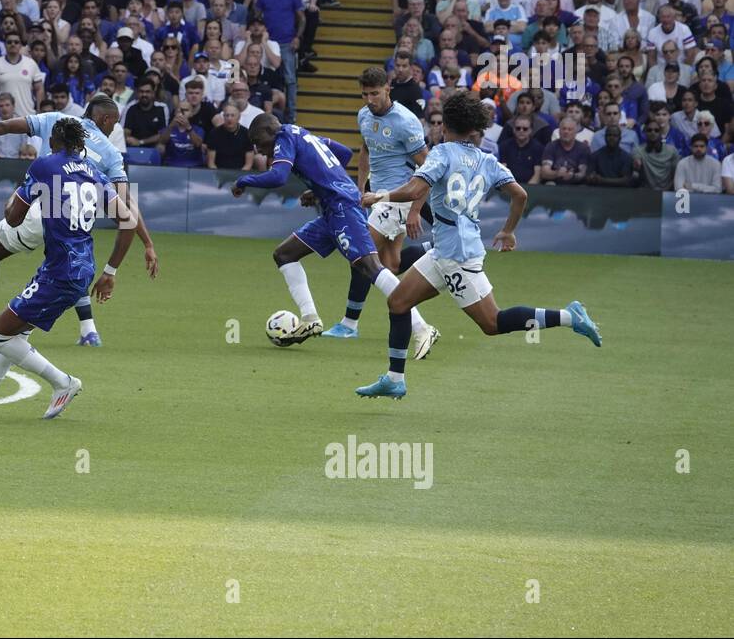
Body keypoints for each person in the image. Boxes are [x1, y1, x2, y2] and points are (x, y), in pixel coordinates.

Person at [355, 93, 602, 400]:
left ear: (445, 126)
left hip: (458, 257)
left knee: (492, 323)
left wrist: (381, 196)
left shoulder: (442, 153)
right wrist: (508, 231)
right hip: (444, 251)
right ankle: (395, 379)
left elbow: (417, 188)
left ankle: (569, 317)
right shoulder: (487, 159)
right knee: (398, 302)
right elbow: (520, 195)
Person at [0, 117, 136, 419]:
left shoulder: (45, 165)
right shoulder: (94, 172)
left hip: (60, 272)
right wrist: (110, 272)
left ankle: (63, 383)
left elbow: (13, 218)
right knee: (17, 334)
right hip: (80, 267)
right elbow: (128, 221)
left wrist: (17, 196)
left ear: (54, 142)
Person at [0, 95, 159, 346]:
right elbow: (127, 208)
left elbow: (5, 126)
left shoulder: (55, 120)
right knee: (71, 264)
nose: (114, 128)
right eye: (114, 123)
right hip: (76, 220)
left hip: (41, 210)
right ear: (104, 119)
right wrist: (146, 243)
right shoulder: (112, 154)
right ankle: (88, 331)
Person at [230, 113, 433, 347]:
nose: (259, 150)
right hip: (331, 207)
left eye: (259, 143)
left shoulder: (284, 138)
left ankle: (422, 328)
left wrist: (243, 181)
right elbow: (344, 153)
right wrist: (321, 186)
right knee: (284, 254)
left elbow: (278, 176)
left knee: (371, 267)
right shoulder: (302, 133)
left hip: (343, 208)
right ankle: (310, 319)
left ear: (269, 132)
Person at [323, 67, 439, 358]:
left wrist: (414, 211)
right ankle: (432, 257)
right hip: (377, 197)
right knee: (390, 264)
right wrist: (359, 190)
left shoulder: (406, 122)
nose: (370, 99)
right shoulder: (363, 115)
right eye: (365, 94)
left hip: (398, 199)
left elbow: (427, 169)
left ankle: (352, 324)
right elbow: (366, 151)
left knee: (362, 256)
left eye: (375, 93)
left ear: (389, 88)